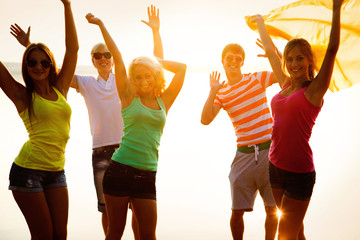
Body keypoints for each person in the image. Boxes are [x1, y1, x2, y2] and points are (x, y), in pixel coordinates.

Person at [10, 6, 164, 238]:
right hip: (101, 151)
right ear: (92, 61)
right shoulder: (85, 83)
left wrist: (156, 33)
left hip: (128, 150)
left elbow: (155, 67)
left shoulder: (125, 83)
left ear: (112, 60)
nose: (103, 58)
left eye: (106, 55)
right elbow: (49, 68)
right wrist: (29, 45)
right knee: (108, 211)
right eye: (97, 56)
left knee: (138, 212)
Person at [84, 9, 186, 240]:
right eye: (137, 76)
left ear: (155, 75)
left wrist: (154, 50)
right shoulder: (128, 97)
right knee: (115, 234)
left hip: (147, 174)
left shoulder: (164, 100)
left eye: (148, 75)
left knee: (148, 235)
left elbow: (181, 68)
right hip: (119, 170)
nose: (143, 80)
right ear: (132, 79)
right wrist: (100, 23)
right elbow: (118, 59)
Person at [251, 0, 344, 239]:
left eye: (300, 59)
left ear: (310, 61)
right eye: (290, 59)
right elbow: (272, 53)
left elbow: (332, 50)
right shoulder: (284, 85)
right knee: (296, 230)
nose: (294, 64)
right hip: (275, 166)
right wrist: (261, 22)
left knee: (286, 232)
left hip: (300, 173)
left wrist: (336, 9)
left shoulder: (314, 91)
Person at [0, 0, 78, 239]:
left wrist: (67, 5)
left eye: (44, 62)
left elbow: (72, 50)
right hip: (28, 171)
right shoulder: (22, 95)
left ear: (50, 64)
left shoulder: (61, 88)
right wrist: (28, 46)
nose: (38, 66)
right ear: (25, 65)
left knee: (60, 235)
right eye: (31, 62)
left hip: (57, 170)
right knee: (43, 235)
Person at [201, 42, 285, 239]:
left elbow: (284, 76)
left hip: (268, 152)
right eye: (229, 58)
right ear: (223, 61)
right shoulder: (222, 93)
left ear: (242, 63)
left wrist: (275, 56)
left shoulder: (256, 78)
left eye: (238, 59)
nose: (233, 62)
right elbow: (205, 120)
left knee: (272, 209)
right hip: (243, 155)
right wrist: (213, 90)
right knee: (237, 211)